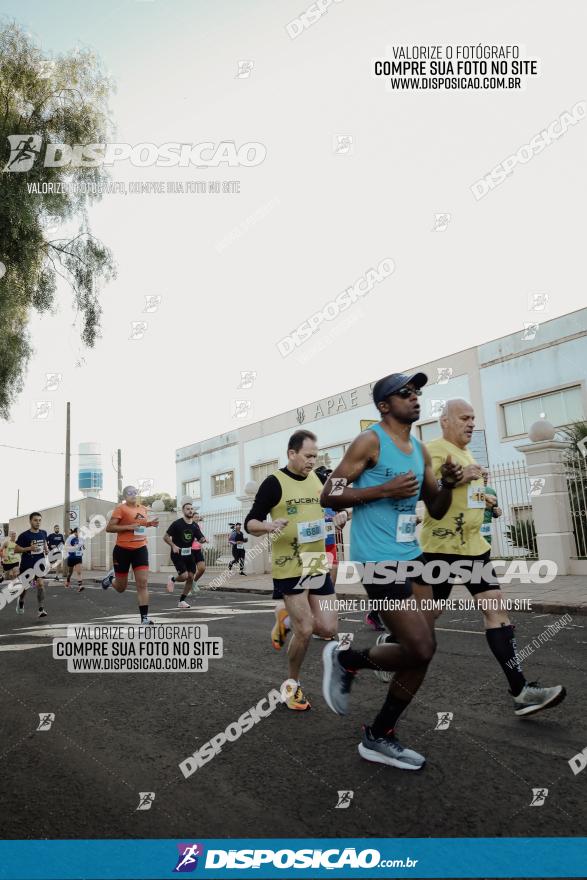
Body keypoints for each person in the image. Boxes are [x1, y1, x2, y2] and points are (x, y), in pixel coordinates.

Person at [320, 373, 462, 769]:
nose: (415, 399)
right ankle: (347, 661)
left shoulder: (419, 449)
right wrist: (382, 491)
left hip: (412, 556)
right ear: (384, 405)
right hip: (376, 557)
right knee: (420, 646)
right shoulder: (371, 442)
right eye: (405, 393)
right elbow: (328, 493)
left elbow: (435, 507)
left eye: (417, 393)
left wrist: (448, 485)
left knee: (421, 652)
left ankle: (379, 734)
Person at [418, 399, 565, 716]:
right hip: (440, 547)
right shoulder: (433, 450)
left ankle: (521, 690)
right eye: (463, 418)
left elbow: (465, 496)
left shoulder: (468, 453)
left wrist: (481, 496)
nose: (471, 423)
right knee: (428, 616)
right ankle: (390, 644)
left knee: (495, 604)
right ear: (444, 421)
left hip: (473, 547)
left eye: (473, 418)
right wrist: (458, 479)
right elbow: (426, 494)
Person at [245, 430, 338, 711]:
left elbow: (328, 510)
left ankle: (283, 621)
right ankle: (292, 686)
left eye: (315, 456)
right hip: (289, 565)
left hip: (316, 562)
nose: (313, 461)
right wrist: (268, 526)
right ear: (292, 454)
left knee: (329, 627)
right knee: (307, 628)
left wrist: (340, 516)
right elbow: (251, 522)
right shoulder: (274, 483)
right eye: (308, 455)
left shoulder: (318, 479)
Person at [102, 486, 159, 625]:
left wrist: (150, 524)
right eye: (129, 493)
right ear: (125, 496)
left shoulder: (143, 508)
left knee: (143, 583)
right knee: (121, 588)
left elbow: (141, 524)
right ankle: (111, 579)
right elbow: (109, 528)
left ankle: (144, 618)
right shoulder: (120, 509)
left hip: (140, 549)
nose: (133, 495)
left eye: (135, 492)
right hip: (122, 550)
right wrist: (128, 527)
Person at [164, 502, 206, 609]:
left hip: (189, 554)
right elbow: (165, 537)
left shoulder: (194, 525)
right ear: (183, 511)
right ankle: (173, 579)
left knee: (190, 577)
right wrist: (173, 545)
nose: (190, 510)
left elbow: (200, 537)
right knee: (184, 576)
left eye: (191, 508)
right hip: (177, 553)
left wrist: (203, 540)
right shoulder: (177, 523)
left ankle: (181, 601)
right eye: (188, 509)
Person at [14, 512, 49, 617]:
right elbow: (16, 549)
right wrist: (28, 548)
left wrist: (46, 549)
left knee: (41, 585)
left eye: (39, 520)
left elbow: (44, 542)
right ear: (30, 521)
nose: (38, 522)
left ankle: (41, 609)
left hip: (40, 563)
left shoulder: (43, 533)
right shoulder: (24, 535)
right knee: (25, 587)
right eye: (35, 520)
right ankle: (21, 601)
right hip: (27, 564)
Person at [481, 469, 502, 546]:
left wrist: (497, 513)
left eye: (486, 475)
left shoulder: (491, 491)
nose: (485, 477)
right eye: (482, 475)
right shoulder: (469, 490)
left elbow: (494, 511)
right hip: (473, 530)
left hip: (486, 530)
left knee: (486, 551)